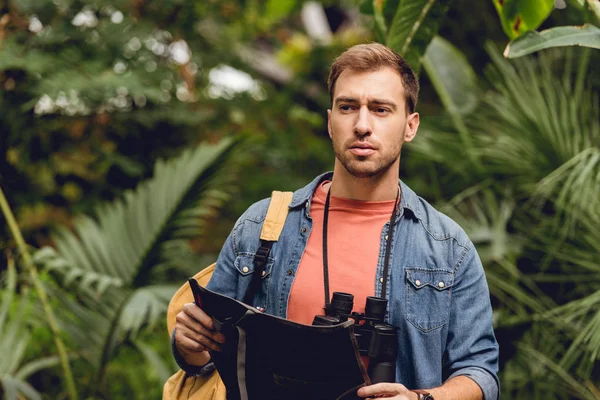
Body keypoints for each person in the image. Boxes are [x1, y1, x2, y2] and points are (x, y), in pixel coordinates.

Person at [173, 43, 499, 400]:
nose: (362, 125)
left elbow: (480, 372)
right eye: (348, 107)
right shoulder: (262, 225)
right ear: (330, 121)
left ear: (410, 126)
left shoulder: (448, 248)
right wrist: (190, 345)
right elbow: (206, 354)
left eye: (380, 109)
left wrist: (422, 398)